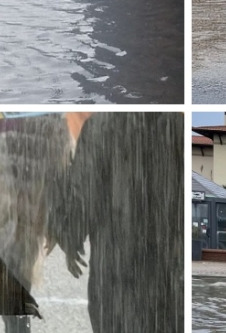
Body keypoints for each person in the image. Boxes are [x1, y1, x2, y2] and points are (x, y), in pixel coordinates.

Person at [47, 113, 183, 333]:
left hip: (115, 288)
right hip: (171, 286)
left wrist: (66, 236)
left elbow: (78, 212)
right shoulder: (177, 126)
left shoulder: (100, 128)